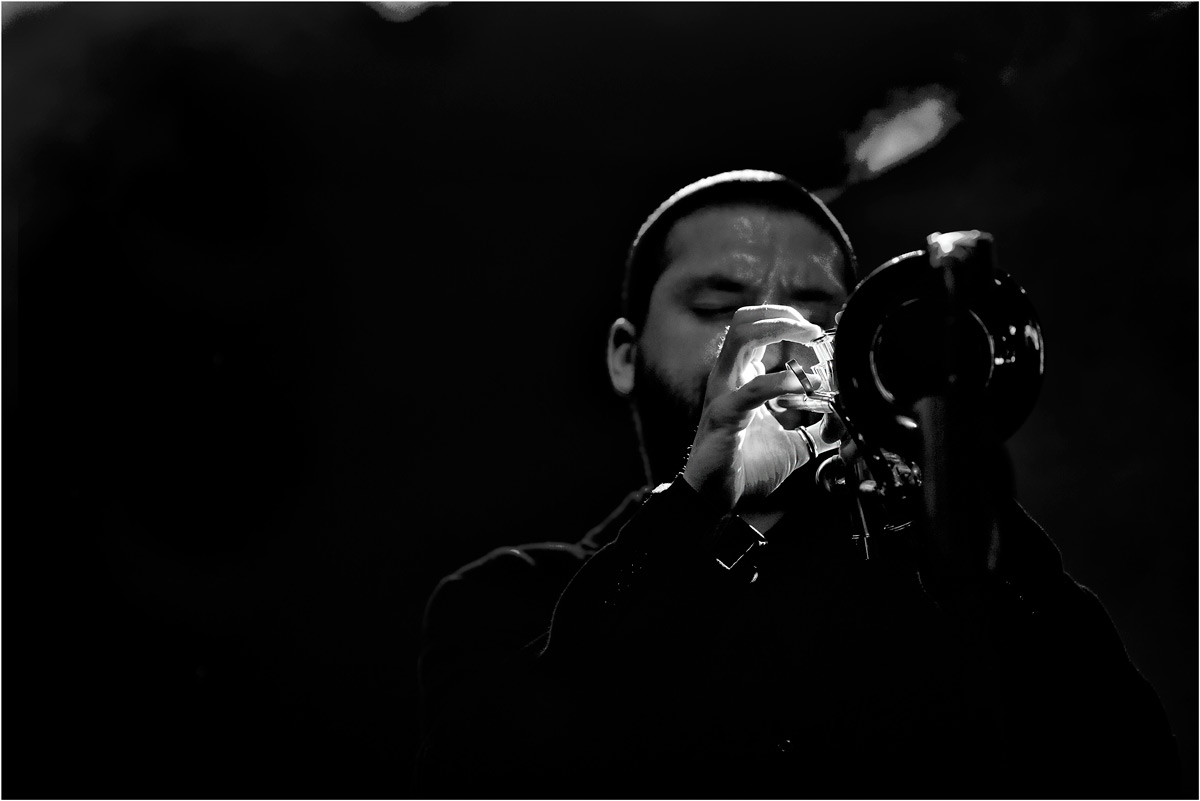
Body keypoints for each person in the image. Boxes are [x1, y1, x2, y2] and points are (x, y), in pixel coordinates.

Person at [415, 170, 1179, 798]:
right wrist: (693, 509)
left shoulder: (940, 580)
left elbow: (1134, 767)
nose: (772, 333)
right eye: (719, 305)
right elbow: (510, 768)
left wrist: (951, 480)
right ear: (625, 354)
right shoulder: (512, 594)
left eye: (817, 312)